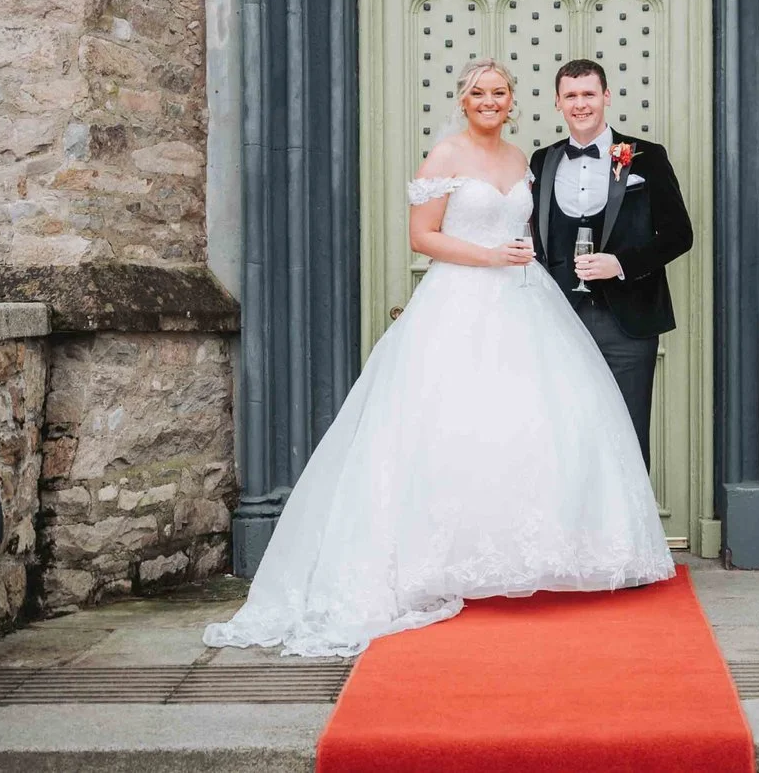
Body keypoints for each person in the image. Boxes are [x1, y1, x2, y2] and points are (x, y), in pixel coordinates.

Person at [202, 58, 673, 658]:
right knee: (448, 425)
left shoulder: (524, 159)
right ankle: (436, 559)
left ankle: (516, 557)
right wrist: (488, 259)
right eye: (478, 92)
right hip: (461, 300)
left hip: (527, 302)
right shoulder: (445, 157)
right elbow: (421, 236)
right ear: (463, 98)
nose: (489, 101)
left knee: (526, 429)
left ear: (514, 102)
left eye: (499, 92)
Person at [527, 58, 695, 463]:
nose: (580, 104)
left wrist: (619, 264)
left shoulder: (645, 157)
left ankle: (627, 528)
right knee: (563, 433)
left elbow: (678, 236)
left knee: (627, 434)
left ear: (606, 96)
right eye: (571, 95)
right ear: (558, 103)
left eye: (588, 93)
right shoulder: (541, 160)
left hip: (628, 321)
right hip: (559, 320)